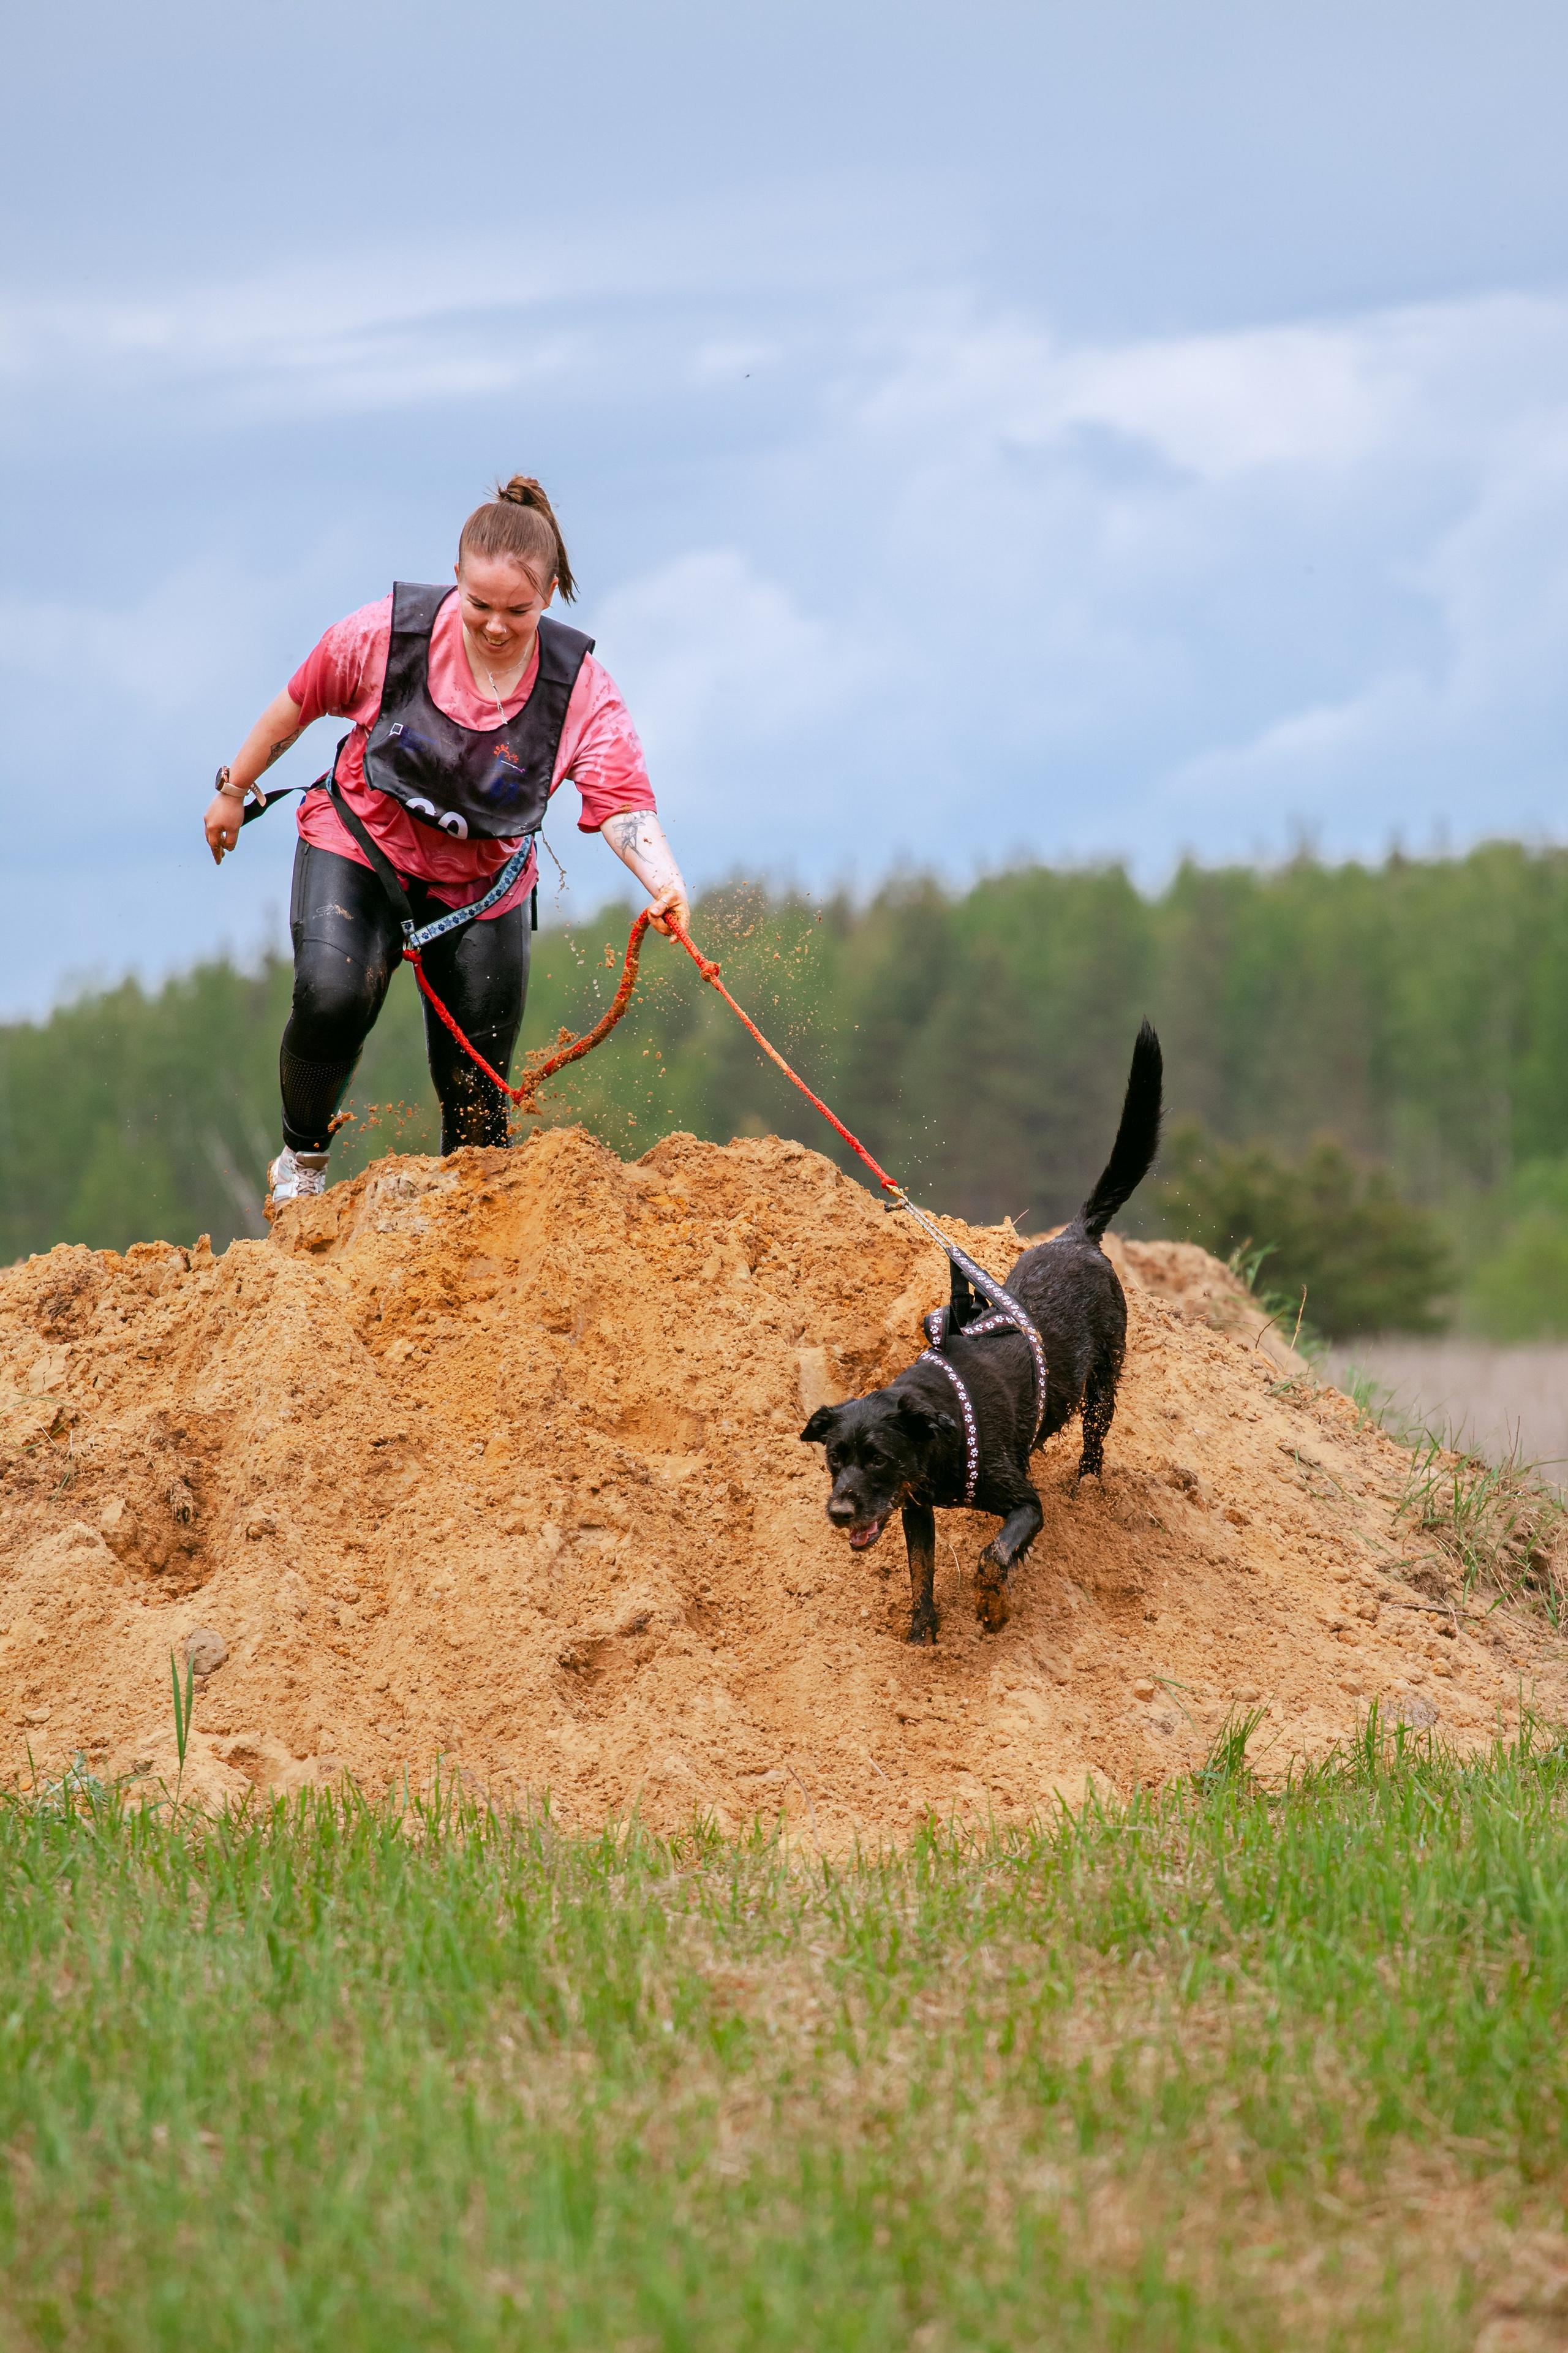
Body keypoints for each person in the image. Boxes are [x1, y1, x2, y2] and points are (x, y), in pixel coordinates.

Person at [205, 475, 690, 1202]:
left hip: (481, 889)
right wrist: (233, 792)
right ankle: (301, 1164)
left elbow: (622, 803)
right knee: (333, 996)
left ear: (550, 595)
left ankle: (466, 1225)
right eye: (480, 605)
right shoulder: (384, 634)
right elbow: (295, 708)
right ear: (455, 578)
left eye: (518, 611)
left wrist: (665, 883)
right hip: (362, 844)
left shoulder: (580, 688)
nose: (496, 626)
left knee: (475, 1093)